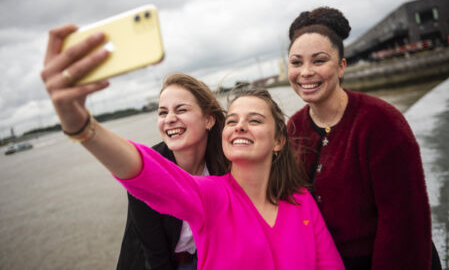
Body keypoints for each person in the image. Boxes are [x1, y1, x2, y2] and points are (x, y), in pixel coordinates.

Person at [41, 26, 344, 268]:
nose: (239, 126)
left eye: (254, 120)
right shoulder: (208, 196)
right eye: (234, 120)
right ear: (224, 134)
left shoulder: (302, 201)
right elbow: (143, 170)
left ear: (279, 140)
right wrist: (81, 126)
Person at [286, 7, 439, 269]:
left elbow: (404, 221)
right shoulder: (294, 127)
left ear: (342, 66)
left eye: (319, 60)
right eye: (296, 62)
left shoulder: (381, 121)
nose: (306, 72)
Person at [116, 73, 229, 270]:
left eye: (181, 109)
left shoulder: (225, 160)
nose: (169, 119)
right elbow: (156, 257)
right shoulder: (145, 171)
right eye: (162, 112)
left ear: (208, 120)